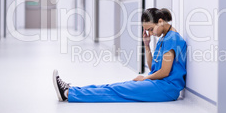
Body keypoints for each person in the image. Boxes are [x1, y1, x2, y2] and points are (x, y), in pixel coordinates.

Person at [52, 8, 187, 102]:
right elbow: (154, 68)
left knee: (117, 90)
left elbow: (164, 72)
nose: (150, 33)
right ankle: (71, 90)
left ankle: (69, 94)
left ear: (161, 21)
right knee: (115, 86)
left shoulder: (172, 39)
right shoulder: (164, 38)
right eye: (147, 31)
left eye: (151, 30)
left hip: (166, 89)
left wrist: (145, 79)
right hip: (157, 84)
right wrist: (147, 45)